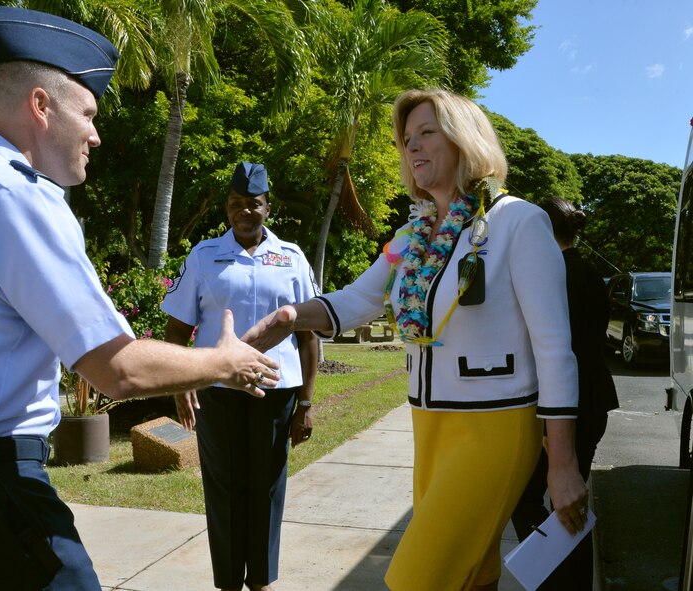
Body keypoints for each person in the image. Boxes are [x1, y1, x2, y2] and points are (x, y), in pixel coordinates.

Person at [0, 7, 279, 591]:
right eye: (87, 112)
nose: (96, 133)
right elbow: (116, 368)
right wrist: (226, 361)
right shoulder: (16, 197)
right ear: (41, 106)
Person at [241, 88, 590, 591]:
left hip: (493, 428)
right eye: (407, 140)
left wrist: (563, 464)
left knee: (415, 580)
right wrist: (287, 318)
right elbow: (359, 300)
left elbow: (555, 349)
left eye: (428, 132)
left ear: (464, 138)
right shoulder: (413, 235)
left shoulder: (520, 222)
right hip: (429, 426)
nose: (414, 148)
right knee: (472, 575)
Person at [161, 162, 319, 591]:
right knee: (224, 487)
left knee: (267, 486)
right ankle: (229, 581)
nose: (244, 212)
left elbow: (308, 337)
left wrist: (306, 403)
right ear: (227, 208)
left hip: (276, 390)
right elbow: (177, 329)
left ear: (269, 208)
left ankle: (262, 581)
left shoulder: (291, 258)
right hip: (218, 392)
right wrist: (181, 383)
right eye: (236, 204)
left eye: (253, 204)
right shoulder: (204, 256)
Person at [510, 196, 619, 590]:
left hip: (565, 404)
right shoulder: (589, 272)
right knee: (568, 501)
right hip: (594, 399)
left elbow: (554, 350)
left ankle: (558, 579)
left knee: (532, 501)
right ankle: (569, 580)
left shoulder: (552, 273)